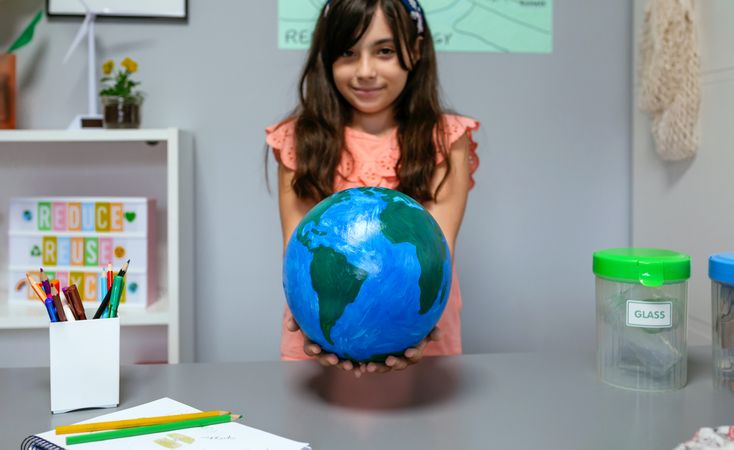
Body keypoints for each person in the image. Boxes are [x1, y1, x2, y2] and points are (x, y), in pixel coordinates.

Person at [265, 0, 479, 376]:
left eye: (384, 51)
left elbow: (435, 256)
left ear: (414, 51)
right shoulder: (299, 140)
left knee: (424, 435)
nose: (365, 71)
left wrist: (414, 332)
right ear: (326, 57)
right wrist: (321, 323)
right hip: (324, 339)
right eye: (348, 52)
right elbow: (298, 254)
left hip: (420, 341)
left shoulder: (445, 140)